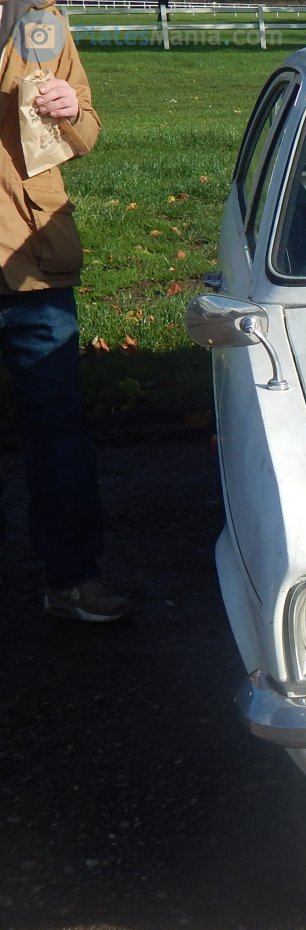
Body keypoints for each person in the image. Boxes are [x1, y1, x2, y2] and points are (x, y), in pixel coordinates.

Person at [1, 0, 130, 621]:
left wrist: (71, 110)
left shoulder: (41, 20)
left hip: (33, 260)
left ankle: (72, 579)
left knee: (57, 430)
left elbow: (87, 129)